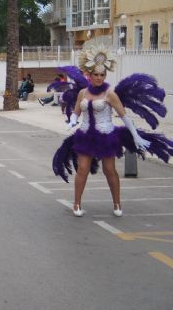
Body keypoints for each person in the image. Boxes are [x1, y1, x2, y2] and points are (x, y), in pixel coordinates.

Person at [52, 46, 173, 217]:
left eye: (102, 75)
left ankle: (117, 203)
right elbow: (77, 112)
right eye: (96, 74)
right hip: (85, 136)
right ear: (90, 75)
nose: (99, 78)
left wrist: (136, 135)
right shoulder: (82, 93)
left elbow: (124, 117)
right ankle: (77, 204)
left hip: (106, 136)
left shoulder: (110, 94)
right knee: (82, 169)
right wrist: (72, 121)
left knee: (110, 170)